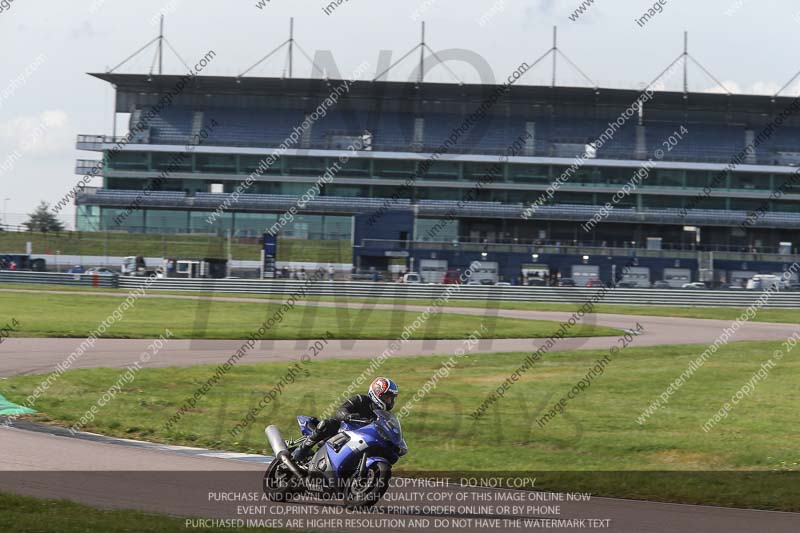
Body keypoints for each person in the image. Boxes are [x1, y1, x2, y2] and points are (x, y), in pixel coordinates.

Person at [291, 377, 399, 462]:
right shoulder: (361, 400)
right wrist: (347, 416)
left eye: (391, 399)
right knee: (326, 424)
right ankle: (302, 450)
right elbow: (341, 410)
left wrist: (395, 444)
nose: (389, 401)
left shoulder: (383, 416)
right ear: (377, 393)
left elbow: (387, 432)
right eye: (387, 397)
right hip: (340, 432)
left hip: (359, 441)